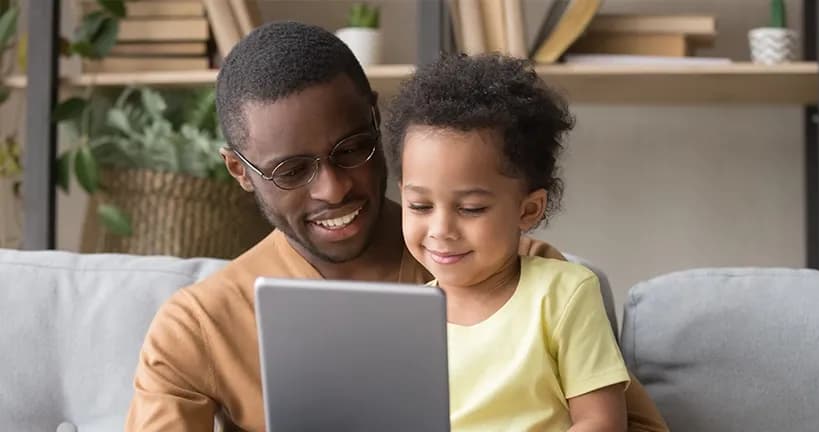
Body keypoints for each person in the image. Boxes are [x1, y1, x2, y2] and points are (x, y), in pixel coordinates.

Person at [125, 21, 668, 432]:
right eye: (292, 170)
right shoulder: (199, 326)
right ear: (239, 171)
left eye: (352, 149)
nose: (333, 189)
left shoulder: (523, 276)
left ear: (377, 120)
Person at [386, 53, 628, 431]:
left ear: (528, 210)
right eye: (420, 205)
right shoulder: (406, 320)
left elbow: (602, 422)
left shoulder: (563, 294)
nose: (440, 229)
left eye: (470, 208)